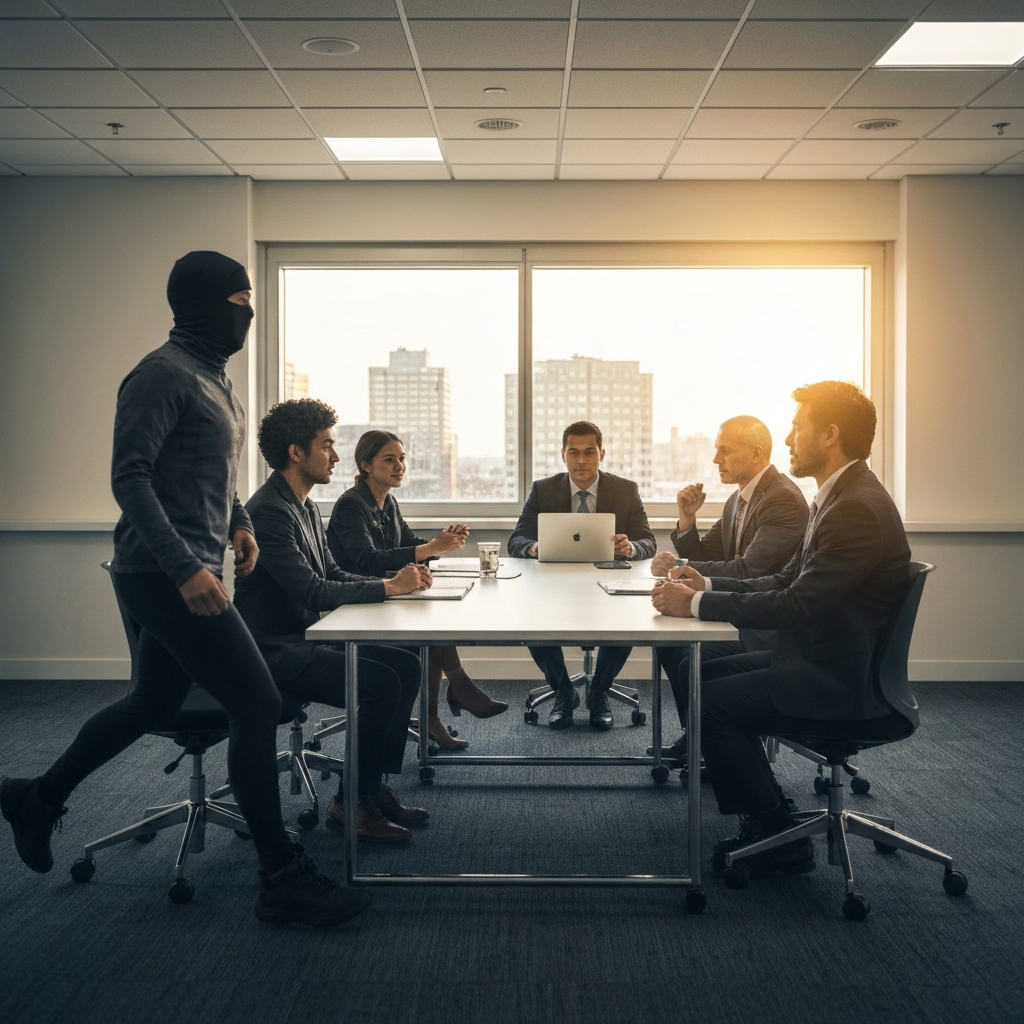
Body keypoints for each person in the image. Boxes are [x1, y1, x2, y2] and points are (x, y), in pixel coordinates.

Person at [0, 251, 365, 927]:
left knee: (152, 701)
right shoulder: (160, 374)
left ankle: (37, 796)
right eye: (239, 301)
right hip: (160, 573)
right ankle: (280, 878)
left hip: (189, 566)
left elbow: (214, 476)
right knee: (257, 701)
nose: (248, 313)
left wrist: (239, 524)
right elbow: (130, 476)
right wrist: (184, 568)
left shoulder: (215, 380)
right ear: (199, 303)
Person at [652, 381, 910, 882]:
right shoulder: (836, 498)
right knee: (699, 674)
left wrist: (698, 603)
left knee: (712, 702)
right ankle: (767, 806)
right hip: (818, 656)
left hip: (840, 678)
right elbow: (786, 579)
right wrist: (705, 587)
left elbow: (797, 603)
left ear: (830, 434)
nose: (788, 439)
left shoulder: (855, 507)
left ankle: (777, 837)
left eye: (797, 428)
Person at [234, 400, 433, 843]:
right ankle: (350, 804)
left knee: (406, 665)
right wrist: (388, 587)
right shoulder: (268, 512)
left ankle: (370, 787)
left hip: (305, 638)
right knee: (380, 683)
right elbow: (312, 591)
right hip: (274, 651)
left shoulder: (305, 507)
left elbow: (333, 573)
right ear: (296, 452)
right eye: (327, 446)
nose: (337, 456)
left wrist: (395, 584)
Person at [327, 430, 508, 751]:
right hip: (358, 605)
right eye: (389, 459)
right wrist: (429, 549)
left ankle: (440, 710)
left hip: (387, 597)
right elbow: (367, 561)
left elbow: (409, 544)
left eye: (402, 458)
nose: (399, 466)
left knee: (434, 619)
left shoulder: (388, 502)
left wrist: (440, 544)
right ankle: (452, 696)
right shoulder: (351, 506)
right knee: (430, 629)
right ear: (366, 465)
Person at [649, 416, 808, 761]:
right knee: (668, 643)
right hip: (736, 608)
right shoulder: (738, 499)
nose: (715, 459)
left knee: (686, 655)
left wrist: (681, 570)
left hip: (764, 624)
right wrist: (687, 521)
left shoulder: (782, 499)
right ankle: (701, 740)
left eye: (725, 451)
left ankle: (709, 742)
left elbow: (751, 569)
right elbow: (708, 555)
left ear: (756, 454)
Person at [508, 421, 656, 730]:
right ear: (563, 455)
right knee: (532, 621)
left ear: (602, 454)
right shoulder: (543, 489)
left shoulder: (626, 490)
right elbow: (516, 541)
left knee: (627, 620)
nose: (581, 460)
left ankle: (599, 692)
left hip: (610, 582)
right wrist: (535, 547)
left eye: (589, 452)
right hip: (555, 585)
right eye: (574, 452)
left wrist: (630, 547)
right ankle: (563, 692)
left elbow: (648, 542)